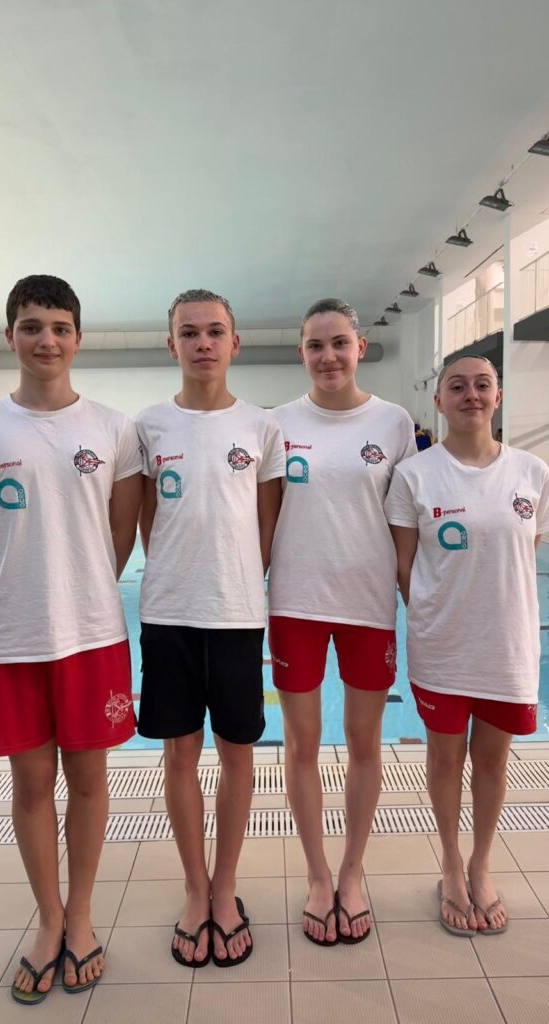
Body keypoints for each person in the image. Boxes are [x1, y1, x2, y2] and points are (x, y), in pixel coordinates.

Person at [0, 275, 142, 1003]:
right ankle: (49, 920)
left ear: (78, 338)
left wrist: (82, 588)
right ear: (10, 335)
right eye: (32, 326)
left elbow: (121, 531)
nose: (47, 340)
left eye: (60, 327)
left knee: (90, 780)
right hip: (13, 636)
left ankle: (82, 916)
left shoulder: (113, 428)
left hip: (92, 633)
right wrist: (8, 594)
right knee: (31, 783)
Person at [136, 288, 284, 967]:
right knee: (178, 757)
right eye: (189, 332)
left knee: (237, 755)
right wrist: (178, 572)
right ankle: (195, 891)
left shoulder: (260, 426)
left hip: (236, 614)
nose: (202, 343)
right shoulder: (147, 426)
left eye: (215, 331)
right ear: (171, 344)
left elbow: (266, 525)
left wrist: (236, 581)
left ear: (234, 343)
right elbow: (148, 520)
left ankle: (226, 889)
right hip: (168, 611)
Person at [268, 298, 417, 945]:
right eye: (315, 345)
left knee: (363, 744)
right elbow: (263, 518)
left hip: (366, 606)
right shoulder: (276, 424)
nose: (327, 356)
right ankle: (317, 875)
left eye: (338, 343)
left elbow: (405, 520)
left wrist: (419, 601)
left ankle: (352, 871)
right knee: (300, 746)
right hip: (294, 604)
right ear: (301, 352)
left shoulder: (394, 421)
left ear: (359, 346)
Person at [385, 354, 549, 936]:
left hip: (507, 646)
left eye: (482, 385)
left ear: (497, 396)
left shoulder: (532, 472)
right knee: (446, 758)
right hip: (444, 646)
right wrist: (436, 616)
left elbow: (523, 555)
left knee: (493, 761)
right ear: (439, 401)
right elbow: (404, 569)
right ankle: (451, 865)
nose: (471, 395)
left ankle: (482, 863)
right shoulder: (414, 475)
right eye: (457, 386)